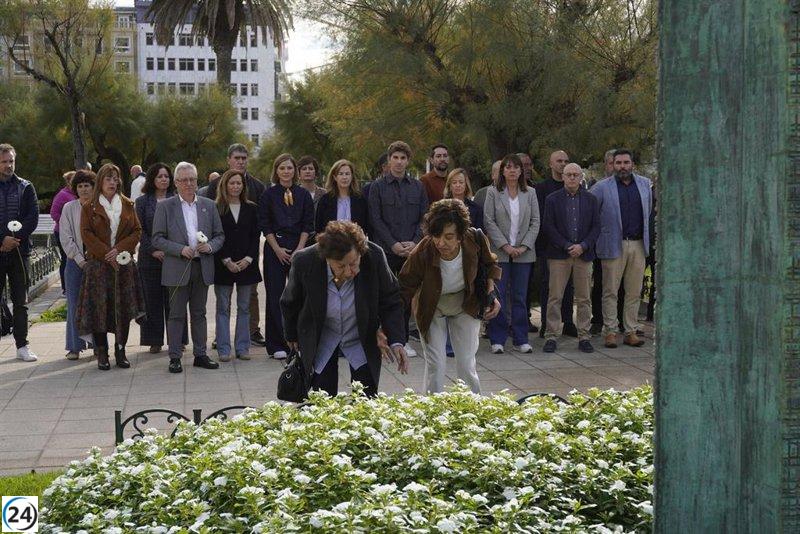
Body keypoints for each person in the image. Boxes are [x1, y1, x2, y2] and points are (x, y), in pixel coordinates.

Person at [281, 220, 409, 397]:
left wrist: (396, 340)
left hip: (360, 334)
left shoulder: (374, 256)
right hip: (322, 335)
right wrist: (292, 335)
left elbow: (391, 300)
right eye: (341, 266)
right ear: (327, 258)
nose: (349, 271)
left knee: (366, 397)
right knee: (322, 399)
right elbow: (290, 301)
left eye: (354, 263)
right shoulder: (304, 261)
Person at [399, 200, 501, 393]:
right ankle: (432, 411)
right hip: (431, 305)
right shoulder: (424, 249)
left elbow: (490, 265)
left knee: (466, 362)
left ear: (461, 236)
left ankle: (472, 409)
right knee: (436, 364)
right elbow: (405, 286)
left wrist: (491, 294)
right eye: (436, 235)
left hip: (466, 302)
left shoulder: (475, 239)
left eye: (448, 237)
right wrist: (390, 326)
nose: (441, 243)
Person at [152, 162, 225, 373]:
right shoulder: (165, 206)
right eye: (184, 180)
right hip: (177, 267)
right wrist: (179, 249)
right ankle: (175, 356)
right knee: (176, 315)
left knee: (200, 313)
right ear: (176, 183)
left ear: (197, 181)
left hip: (202, 266)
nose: (188, 184)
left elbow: (220, 235)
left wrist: (210, 246)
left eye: (192, 179)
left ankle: (200, 355)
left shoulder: (208, 205)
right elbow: (156, 238)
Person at [78, 163, 145, 370]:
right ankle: (102, 353)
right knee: (100, 309)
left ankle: (121, 350)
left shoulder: (127, 204)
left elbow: (136, 231)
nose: (112, 183)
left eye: (116, 179)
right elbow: (86, 233)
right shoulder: (90, 207)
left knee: (122, 309)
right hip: (98, 266)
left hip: (123, 265)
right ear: (100, 181)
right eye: (108, 179)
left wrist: (118, 249)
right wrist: (106, 253)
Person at [201, 144, 267, 347]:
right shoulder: (214, 188)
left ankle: (251, 333)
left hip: (247, 258)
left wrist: (249, 257)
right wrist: (225, 258)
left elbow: (257, 229)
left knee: (249, 298)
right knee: (223, 302)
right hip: (223, 257)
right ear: (228, 159)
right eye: (237, 158)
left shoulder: (257, 187)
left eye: (244, 158)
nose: (240, 161)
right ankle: (220, 340)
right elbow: (212, 226)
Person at [368, 141, 429, 357]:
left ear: (408, 161)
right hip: (385, 250)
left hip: (411, 251)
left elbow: (424, 217)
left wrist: (415, 242)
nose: (399, 162)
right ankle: (379, 337)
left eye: (403, 158)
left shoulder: (417, 187)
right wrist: (392, 244)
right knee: (382, 295)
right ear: (389, 160)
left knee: (404, 296)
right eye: (395, 157)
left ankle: (401, 339)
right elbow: (375, 219)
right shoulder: (377, 187)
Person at [590, 149, 653, 348]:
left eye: (626, 162)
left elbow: (648, 211)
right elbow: (592, 215)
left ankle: (631, 330)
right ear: (612, 164)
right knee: (610, 291)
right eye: (618, 163)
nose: (622, 167)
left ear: (632, 164)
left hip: (637, 244)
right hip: (613, 244)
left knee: (634, 291)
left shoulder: (644, 184)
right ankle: (610, 331)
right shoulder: (601, 187)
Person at [257, 153, 314, 360]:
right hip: (276, 249)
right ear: (277, 171)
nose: (286, 171)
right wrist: (277, 248)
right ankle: (276, 344)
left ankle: (299, 341)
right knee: (275, 296)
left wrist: (300, 248)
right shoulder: (268, 195)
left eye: (290, 168)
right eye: (282, 168)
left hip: (300, 249)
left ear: (295, 171)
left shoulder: (303, 195)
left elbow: (309, 223)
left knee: (300, 295)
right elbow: (265, 224)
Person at [483, 153, 540, 354]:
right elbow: (489, 221)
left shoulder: (530, 193)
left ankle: (520, 338)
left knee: (519, 296)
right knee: (498, 295)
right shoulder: (493, 192)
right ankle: (497, 339)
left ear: (521, 171)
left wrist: (523, 246)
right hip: (500, 252)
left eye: (516, 167)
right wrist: (506, 246)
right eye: (508, 167)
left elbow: (535, 222)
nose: (512, 170)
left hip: (524, 253)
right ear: (502, 171)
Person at [541, 163, 601, 353]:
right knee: (555, 297)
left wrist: (583, 246)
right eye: (569, 175)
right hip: (560, 254)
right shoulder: (552, 199)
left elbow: (596, 227)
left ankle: (584, 335)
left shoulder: (591, 199)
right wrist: (567, 245)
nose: (572, 178)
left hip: (583, 255)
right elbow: (548, 226)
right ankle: (551, 336)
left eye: (576, 175)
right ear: (563, 177)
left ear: (581, 177)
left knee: (584, 298)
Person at [135, 163, 185, 354]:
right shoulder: (142, 202)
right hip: (149, 259)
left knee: (175, 301)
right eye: (159, 176)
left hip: (174, 258)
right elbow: (139, 230)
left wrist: (171, 250)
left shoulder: (178, 200)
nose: (163, 179)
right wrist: (153, 250)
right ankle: (153, 340)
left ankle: (178, 339)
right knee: (152, 301)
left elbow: (181, 228)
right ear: (152, 180)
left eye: (166, 176)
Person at [213, 169, 262, 361]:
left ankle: (243, 347)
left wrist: (249, 259)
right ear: (224, 185)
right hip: (224, 265)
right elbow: (215, 235)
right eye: (232, 183)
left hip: (246, 265)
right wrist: (226, 260)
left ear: (243, 186)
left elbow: (254, 236)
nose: (235, 186)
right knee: (223, 307)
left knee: (244, 307)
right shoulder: (216, 208)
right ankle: (224, 349)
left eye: (238, 183)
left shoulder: (251, 208)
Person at [0, 144, 39, 362]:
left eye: (11, 161)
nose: (8, 165)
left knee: (20, 300)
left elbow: (32, 217)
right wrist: (1, 240)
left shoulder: (26, 187)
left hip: (19, 251)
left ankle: (22, 345)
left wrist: (15, 240)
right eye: (4, 161)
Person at [534, 150, 577, 338]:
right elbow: (541, 219)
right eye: (559, 161)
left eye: (566, 161)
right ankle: (547, 322)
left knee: (570, 286)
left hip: (572, 246)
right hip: (549, 246)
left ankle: (568, 321)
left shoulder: (575, 187)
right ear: (550, 164)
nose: (562, 164)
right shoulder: (541, 189)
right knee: (548, 287)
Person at [59, 170, 95, 360]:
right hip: (74, 263)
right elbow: (66, 237)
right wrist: (80, 260)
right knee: (74, 304)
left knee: (96, 304)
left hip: (96, 261)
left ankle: (98, 345)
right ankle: (74, 346)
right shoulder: (69, 208)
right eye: (79, 186)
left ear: (93, 187)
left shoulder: (99, 206)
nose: (83, 190)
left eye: (87, 186)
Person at [590, 148, 617, 334]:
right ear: (606, 165)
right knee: (601, 284)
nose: (615, 167)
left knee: (623, 286)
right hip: (603, 244)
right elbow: (590, 213)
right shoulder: (599, 187)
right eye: (611, 163)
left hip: (625, 243)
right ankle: (598, 320)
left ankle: (621, 321)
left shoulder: (634, 186)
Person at [314, 159, 369, 234]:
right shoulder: (325, 200)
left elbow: (365, 226)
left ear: (352, 176)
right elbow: (319, 228)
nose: (344, 177)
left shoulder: (360, 200)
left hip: (355, 243)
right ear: (335, 177)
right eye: (341, 174)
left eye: (347, 174)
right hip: (331, 243)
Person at [50, 170, 77, 295]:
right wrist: (66, 223)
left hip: (76, 232)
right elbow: (54, 213)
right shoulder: (62, 195)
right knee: (66, 258)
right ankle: (66, 288)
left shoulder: (77, 193)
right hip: (62, 232)